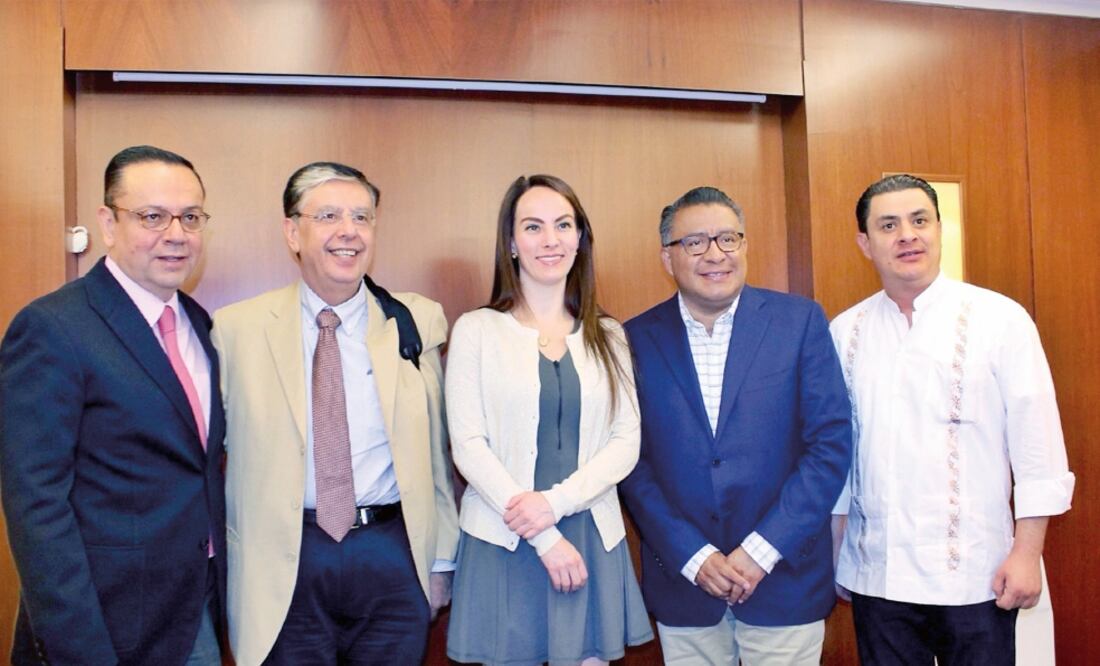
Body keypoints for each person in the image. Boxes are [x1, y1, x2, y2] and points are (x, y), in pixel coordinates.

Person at [211, 162, 460, 665]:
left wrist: (441, 562)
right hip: (284, 559)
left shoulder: (416, 320)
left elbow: (438, 454)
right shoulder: (235, 330)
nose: (349, 231)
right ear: (292, 232)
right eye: (328, 216)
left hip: (391, 551)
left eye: (361, 217)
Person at [830, 174, 1075, 665]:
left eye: (920, 220)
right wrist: (839, 553)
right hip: (879, 573)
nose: (907, 235)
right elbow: (839, 454)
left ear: (939, 230)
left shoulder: (1000, 319)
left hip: (977, 574)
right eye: (888, 225)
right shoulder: (845, 330)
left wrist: (1027, 555)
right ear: (865, 243)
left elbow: (1038, 446)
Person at [0, 145, 226, 665]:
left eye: (191, 217)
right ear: (107, 223)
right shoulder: (53, 327)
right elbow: (36, 506)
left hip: (194, 610)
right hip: (102, 624)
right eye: (152, 216)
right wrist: (79, 648)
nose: (176, 234)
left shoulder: (198, 324)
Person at [619, 186, 852, 664]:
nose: (715, 254)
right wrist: (695, 557)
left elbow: (829, 446)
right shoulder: (633, 338)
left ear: (744, 245)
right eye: (695, 242)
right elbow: (630, 462)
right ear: (667, 257)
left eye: (728, 238)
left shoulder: (799, 322)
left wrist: (760, 551)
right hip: (685, 585)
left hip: (784, 578)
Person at [444, 174, 653, 665]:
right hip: (503, 540)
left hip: (589, 536)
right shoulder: (476, 331)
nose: (550, 239)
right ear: (511, 243)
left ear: (580, 239)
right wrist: (543, 535)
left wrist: (555, 505)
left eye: (563, 225)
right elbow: (468, 445)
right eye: (533, 227)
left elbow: (626, 440)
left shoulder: (609, 334)